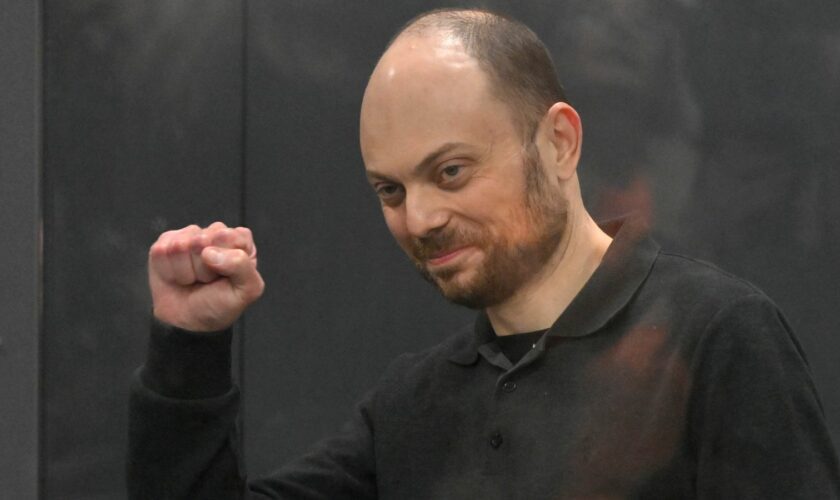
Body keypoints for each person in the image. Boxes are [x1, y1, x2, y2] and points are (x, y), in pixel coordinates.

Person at [128, 8, 840, 499]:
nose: (420, 217)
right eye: (390, 189)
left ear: (559, 143)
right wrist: (187, 348)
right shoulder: (414, 404)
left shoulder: (718, 338)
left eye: (450, 172)